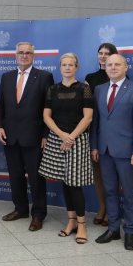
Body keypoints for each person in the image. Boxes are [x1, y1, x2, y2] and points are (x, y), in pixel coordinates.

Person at [90, 54, 133, 251]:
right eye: (109, 65)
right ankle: (113, 228)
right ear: (105, 67)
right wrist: (94, 146)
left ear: (126, 67)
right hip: (104, 150)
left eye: (117, 64)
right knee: (109, 191)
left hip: (127, 152)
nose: (113, 67)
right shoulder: (99, 89)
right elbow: (96, 121)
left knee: (130, 193)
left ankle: (130, 231)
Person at [0, 42, 54, 231]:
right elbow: (0, 105)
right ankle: (20, 209)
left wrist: (46, 134)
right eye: (21, 52)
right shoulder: (6, 77)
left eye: (28, 53)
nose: (24, 55)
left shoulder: (44, 77)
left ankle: (38, 214)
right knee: (16, 175)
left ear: (33, 56)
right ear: (16, 55)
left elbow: (49, 108)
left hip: (34, 137)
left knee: (36, 178)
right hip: (10, 136)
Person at [38, 53, 94, 244]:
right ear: (60, 67)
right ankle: (71, 221)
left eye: (71, 65)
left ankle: (82, 224)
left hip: (78, 140)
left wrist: (71, 137)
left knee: (75, 184)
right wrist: (62, 135)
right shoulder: (52, 89)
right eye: (64, 65)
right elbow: (46, 116)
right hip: (57, 138)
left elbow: (88, 117)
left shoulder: (84, 89)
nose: (67, 68)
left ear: (77, 68)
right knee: (65, 181)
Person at [84, 42, 118, 227]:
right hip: (95, 130)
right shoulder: (90, 78)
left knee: (113, 176)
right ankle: (102, 207)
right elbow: (87, 106)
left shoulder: (120, 76)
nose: (103, 56)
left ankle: (113, 212)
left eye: (107, 53)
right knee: (98, 174)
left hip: (114, 134)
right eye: (101, 53)